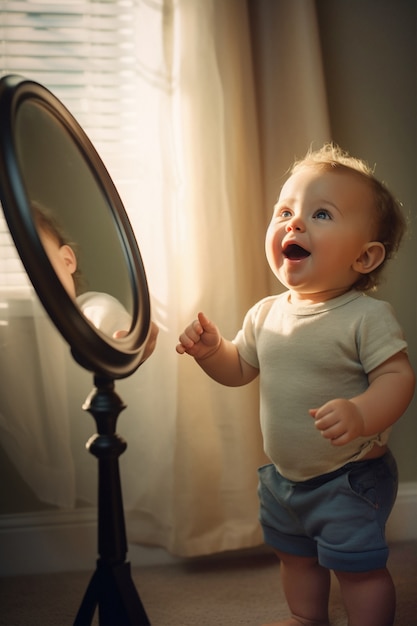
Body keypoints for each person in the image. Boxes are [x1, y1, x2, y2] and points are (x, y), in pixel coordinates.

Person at [176, 144, 415, 626]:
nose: (294, 223)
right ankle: (307, 617)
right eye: (285, 210)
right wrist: (211, 352)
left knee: (359, 570)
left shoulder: (365, 318)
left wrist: (361, 412)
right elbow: (239, 368)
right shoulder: (265, 313)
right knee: (296, 557)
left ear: (365, 257)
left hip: (349, 477)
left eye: (321, 213)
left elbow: (398, 377)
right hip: (285, 478)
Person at [33, 203, 158, 353]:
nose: (33, 281)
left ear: (67, 261)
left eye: (38, 262)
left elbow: (110, 318)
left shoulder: (89, 308)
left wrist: (127, 336)